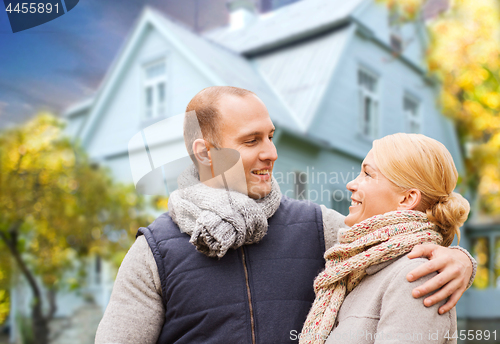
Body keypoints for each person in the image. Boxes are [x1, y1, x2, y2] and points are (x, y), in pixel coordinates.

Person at [95, 87, 475, 344]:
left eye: (270, 136)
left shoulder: (319, 228)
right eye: (251, 141)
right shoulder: (154, 253)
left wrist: (459, 259)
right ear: (205, 153)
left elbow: (390, 245)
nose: (271, 152)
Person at [300, 133, 470, 344]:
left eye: (367, 174)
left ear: (407, 199)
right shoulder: (358, 269)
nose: (351, 184)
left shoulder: (416, 276)